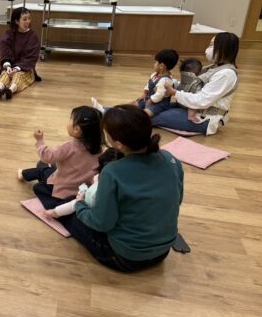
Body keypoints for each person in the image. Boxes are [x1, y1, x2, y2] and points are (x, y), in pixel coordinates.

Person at [58, 105, 183, 272]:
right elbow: (177, 200)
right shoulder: (170, 159)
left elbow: (101, 223)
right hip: (163, 251)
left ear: (118, 144)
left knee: (68, 208)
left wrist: (80, 205)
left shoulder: (112, 172)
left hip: (124, 257)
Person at [152, 32, 240, 135]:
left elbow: (202, 100)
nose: (208, 49)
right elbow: (192, 85)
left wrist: (174, 92)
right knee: (151, 109)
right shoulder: (213, 67)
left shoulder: (226, 74)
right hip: (190, 108)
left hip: (203, 118)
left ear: (222, 49)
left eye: (212, 45)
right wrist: (171, 84)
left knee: (148, 117)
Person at [18, 106, 103, 209]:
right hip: (80, 190)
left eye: (71, 118)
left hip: (62, 188)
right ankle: (25, 173)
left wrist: (40, 141)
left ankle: (25, 174)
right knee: (46, 168)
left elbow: (47, 157)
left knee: (38, 185)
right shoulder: (99, 149)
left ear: (77, 129)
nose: (69, 120)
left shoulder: (68, 147)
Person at [91, 49, 179, 117]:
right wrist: (144, 93)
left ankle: (115, 115)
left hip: (158, 105)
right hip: (148, 99)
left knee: (144, 114)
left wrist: (150, 100)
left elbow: (160, 94)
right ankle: (106, 110)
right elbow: (148, 85)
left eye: (156, 62)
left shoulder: (165, 80)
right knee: (131, 104)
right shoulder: (154, 75)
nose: (154, 64)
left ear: (162, 66)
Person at [43, 148, 124, 218]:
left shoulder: (97, 190)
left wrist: (56, 212)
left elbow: (77, 204)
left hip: (87, 212)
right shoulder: (121, 184)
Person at [0, 7, 41, 100]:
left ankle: (10, 90)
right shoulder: (8, 34)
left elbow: (31, 57)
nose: (28, 21)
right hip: (9, 65)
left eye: (29, 18)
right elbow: (5, 50)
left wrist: (17, 68)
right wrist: (8, 66)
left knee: (19, 75)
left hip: (25, 68)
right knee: (5, 74)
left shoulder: (33, 36)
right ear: (16, 21)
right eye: (24, 19)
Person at [176, 58, 204, 122]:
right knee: (195, 101)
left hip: (180, 101)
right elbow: (196, 99)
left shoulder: (184, 78)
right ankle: (191, 116)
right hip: (188, 104)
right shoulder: (196, 83)